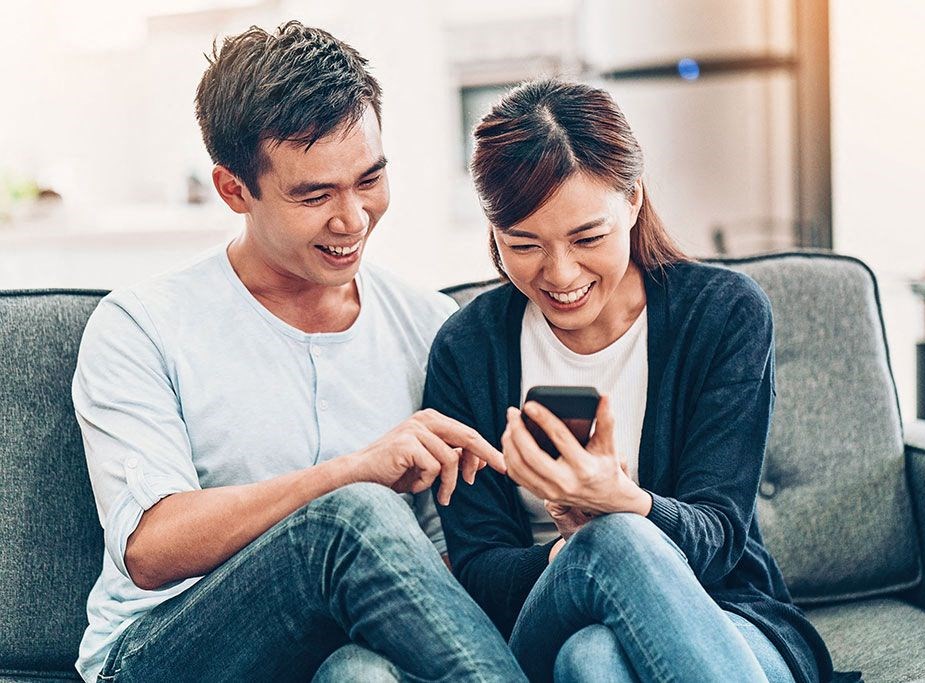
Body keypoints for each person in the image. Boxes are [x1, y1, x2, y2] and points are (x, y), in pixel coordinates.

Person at [72, 21, 525, 683]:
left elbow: (442, 564)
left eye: (368, 179)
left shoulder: (429, 324)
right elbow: (150, 546)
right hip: (162, 653)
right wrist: (351, 474)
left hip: (350, 640)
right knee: (350, 513)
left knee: (362, 675)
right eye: (314, 195)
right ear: (234, 190)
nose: (353, 219)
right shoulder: (142, 325)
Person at [424, 79, 847, 683]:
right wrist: (576, 544)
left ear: (634, 200)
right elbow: (479, 570)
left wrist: (626, 502)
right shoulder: (467, 351)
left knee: (594, 660)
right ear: (493, 232)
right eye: (523, 244)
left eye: (587, 237)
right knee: (612, 546)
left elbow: (720, 536)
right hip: (547, 614)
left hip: (727, 619)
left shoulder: (723, 314)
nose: (560, 274)